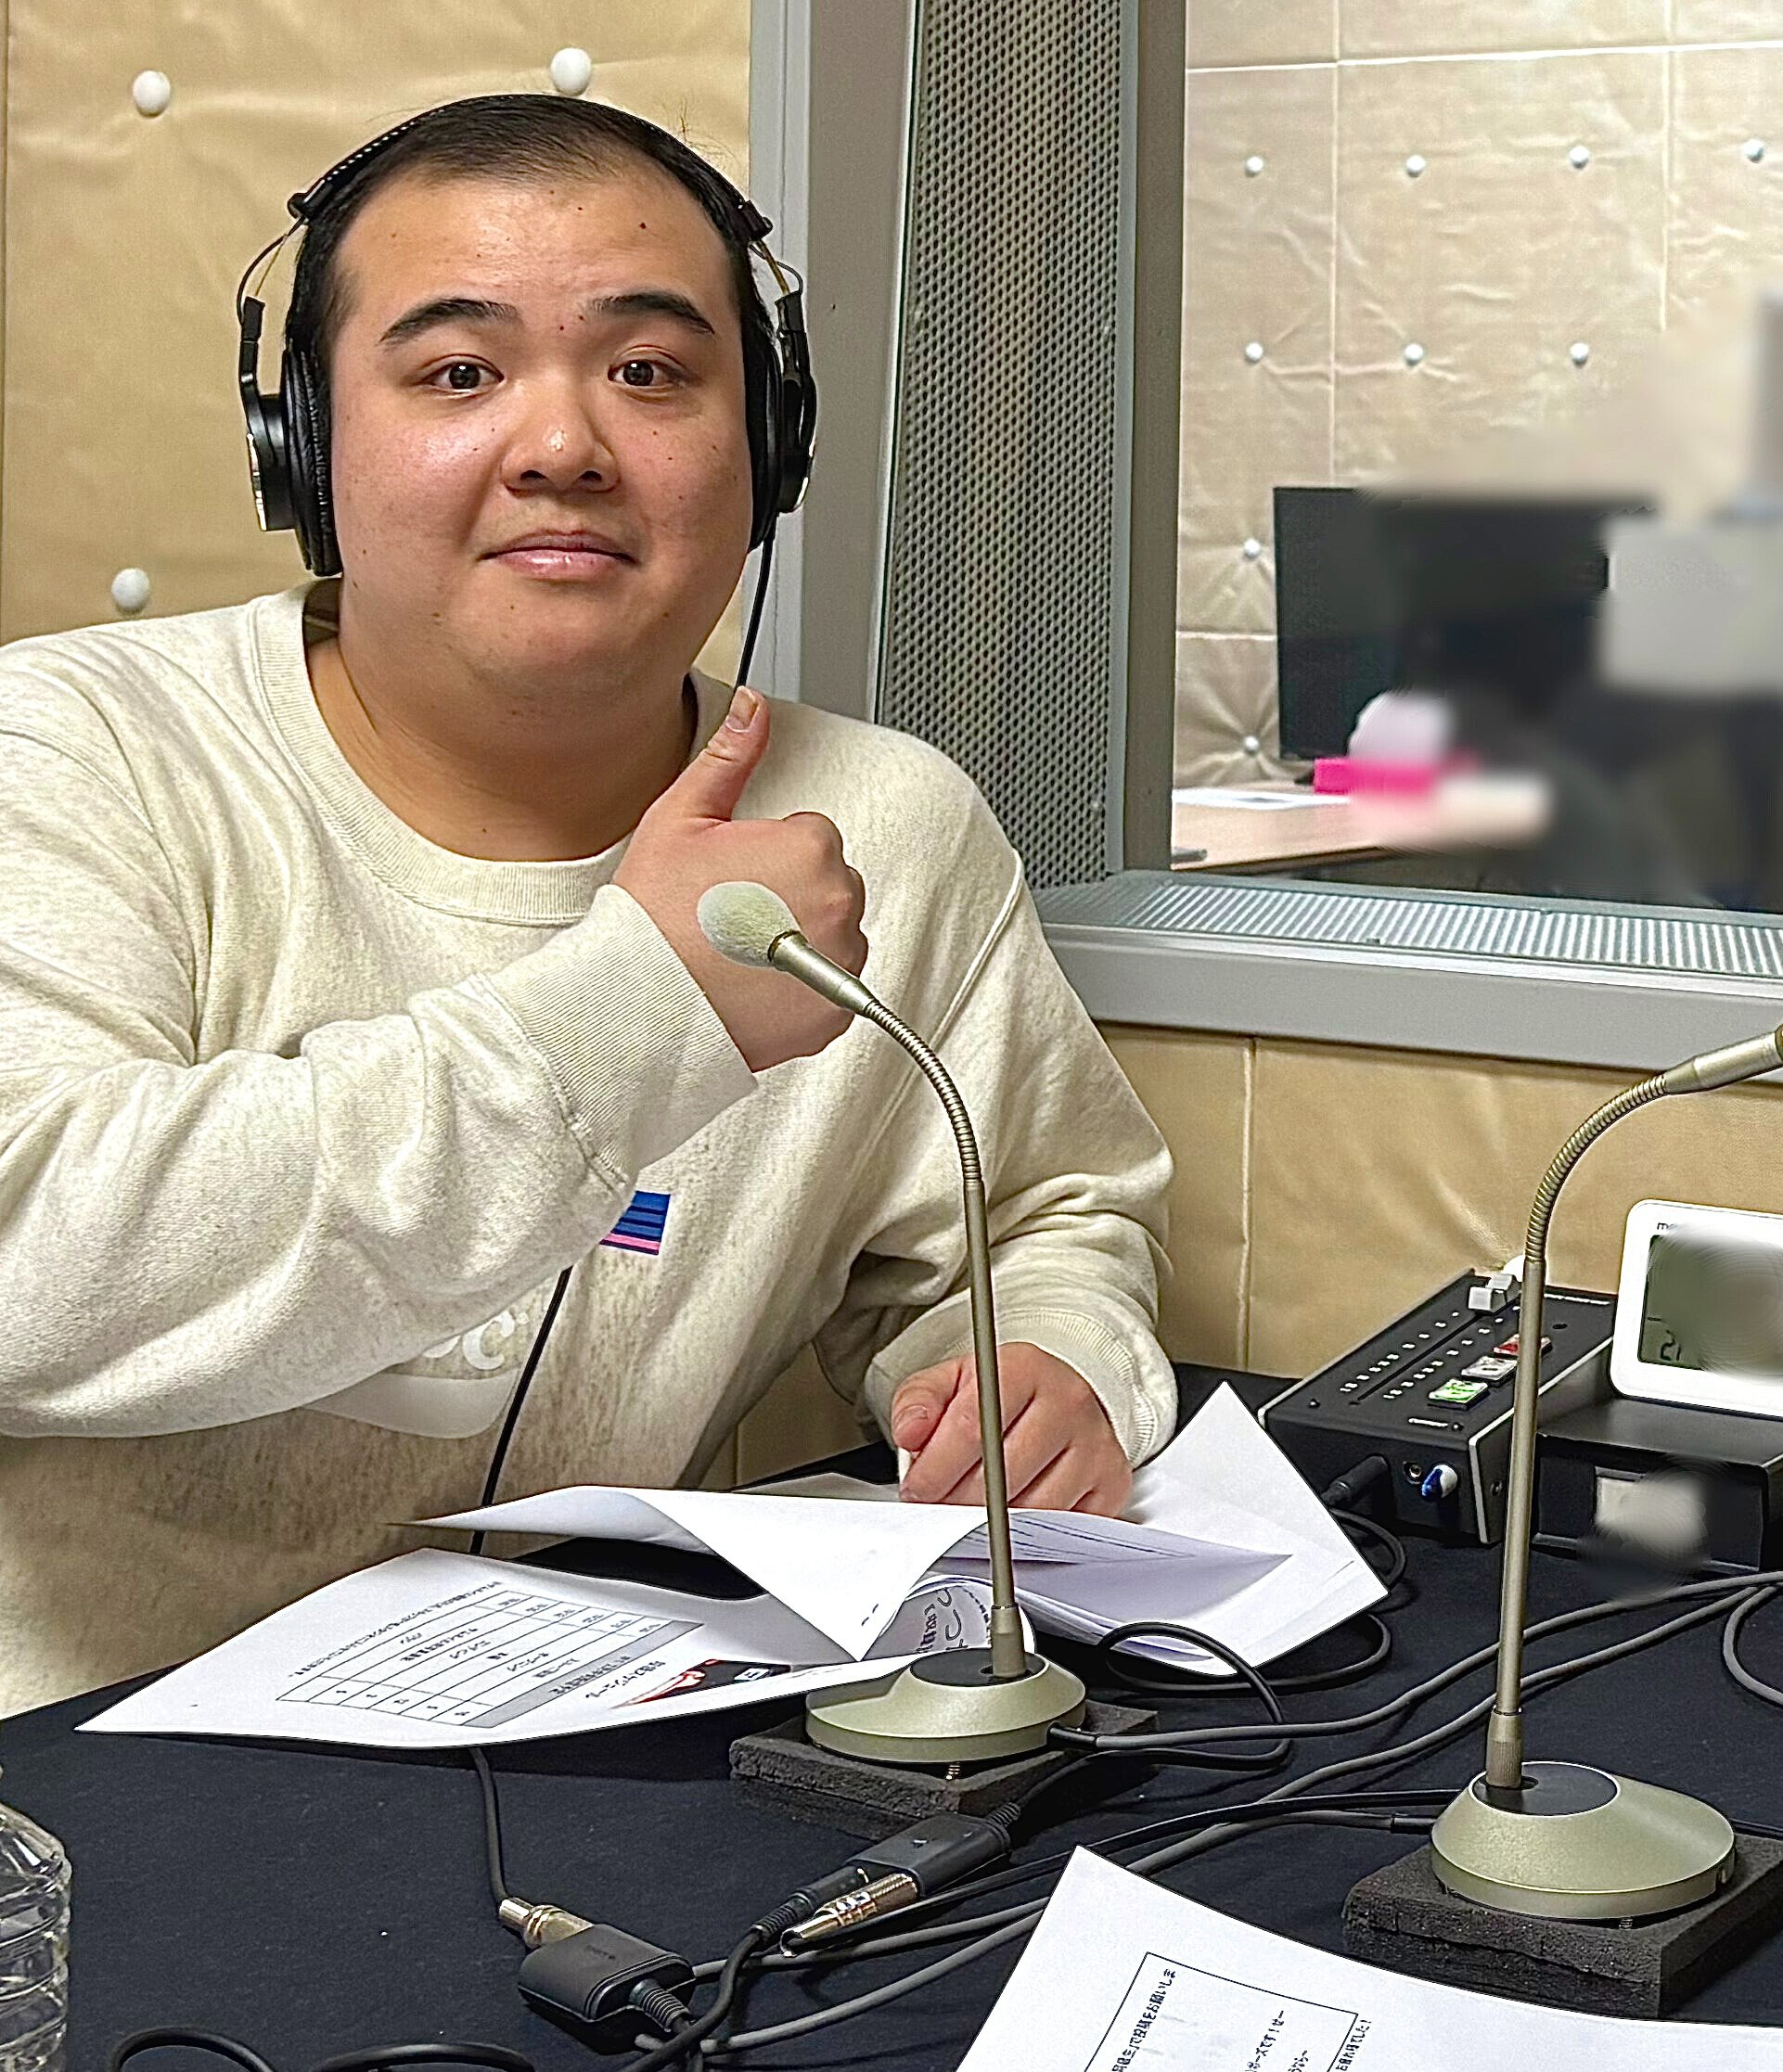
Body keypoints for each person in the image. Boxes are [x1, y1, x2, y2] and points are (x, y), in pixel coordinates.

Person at [0, 96, 1175, 1719]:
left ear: (768, 447)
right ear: (305, 450)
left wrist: (1037, 1362)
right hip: (68, 1774)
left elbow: (1042, 1213)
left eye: (649, 371)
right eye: (458, 374)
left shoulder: (882, 827)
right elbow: (30, 1267)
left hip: (581, 1740)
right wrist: (641, 1014)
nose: (563, 446)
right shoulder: (74, 752)